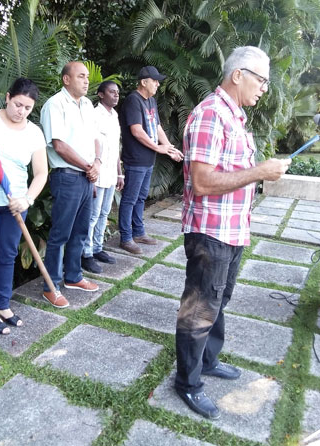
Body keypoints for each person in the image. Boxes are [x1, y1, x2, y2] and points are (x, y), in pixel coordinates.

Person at [175, 46, 291, 420]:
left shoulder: (235, 116)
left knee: (218, 302)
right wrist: (260, 172)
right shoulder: (211, 114)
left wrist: (259, 170)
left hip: (231, 230)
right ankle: (188, 384)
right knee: (200, 308)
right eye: (261, 79)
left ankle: (207, 361)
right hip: (211, 233)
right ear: (237, 75)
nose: (264, 89)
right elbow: (204, 182)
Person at [0, 78, 48, 335]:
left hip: (16, 204)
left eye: (27, 107)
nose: (21, 111)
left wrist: (27, 199)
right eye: (17, 104)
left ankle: (3, 304)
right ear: (7, 97)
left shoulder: (34, 132)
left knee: (7, 255)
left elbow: (40, 174)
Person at [40, 61, 100, 308]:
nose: (87, 81)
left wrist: (96, 163)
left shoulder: (86, 104)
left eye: (87, 77)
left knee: (80, 231)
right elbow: (59, 145)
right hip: (67, 176)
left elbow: (96, 138)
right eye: (81, 76)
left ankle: (73, 277)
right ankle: (51, 286)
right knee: (60, 233)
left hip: (87, 177)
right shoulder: (55, 105)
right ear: (66, 79)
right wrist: (88, 167)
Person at [118, 66, 183, 255]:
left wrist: (169, 148)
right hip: (136, 158)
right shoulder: (133, 100)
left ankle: (138, 233)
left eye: (158, 81)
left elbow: (157, 127)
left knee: (140, 197)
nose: (157, 84)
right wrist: (158, 148)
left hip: (148, 159)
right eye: (154, 81)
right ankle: (126, 237)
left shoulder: (151, 101)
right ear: (143, 82)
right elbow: (136, 130)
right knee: (130, 199)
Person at [81, 81, 124, 274]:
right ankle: (86, 253)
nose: (116, 95)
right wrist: (92, 178)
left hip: (111, 174)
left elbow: (115, 148)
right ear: (100, 94)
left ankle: (98, 248)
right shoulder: (95, 115)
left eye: (117, 93)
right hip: (97, 174)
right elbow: (91, 146)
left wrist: (119, 172)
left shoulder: (114, 115)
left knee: (105, 213)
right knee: (92, 216)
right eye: (111, 92)